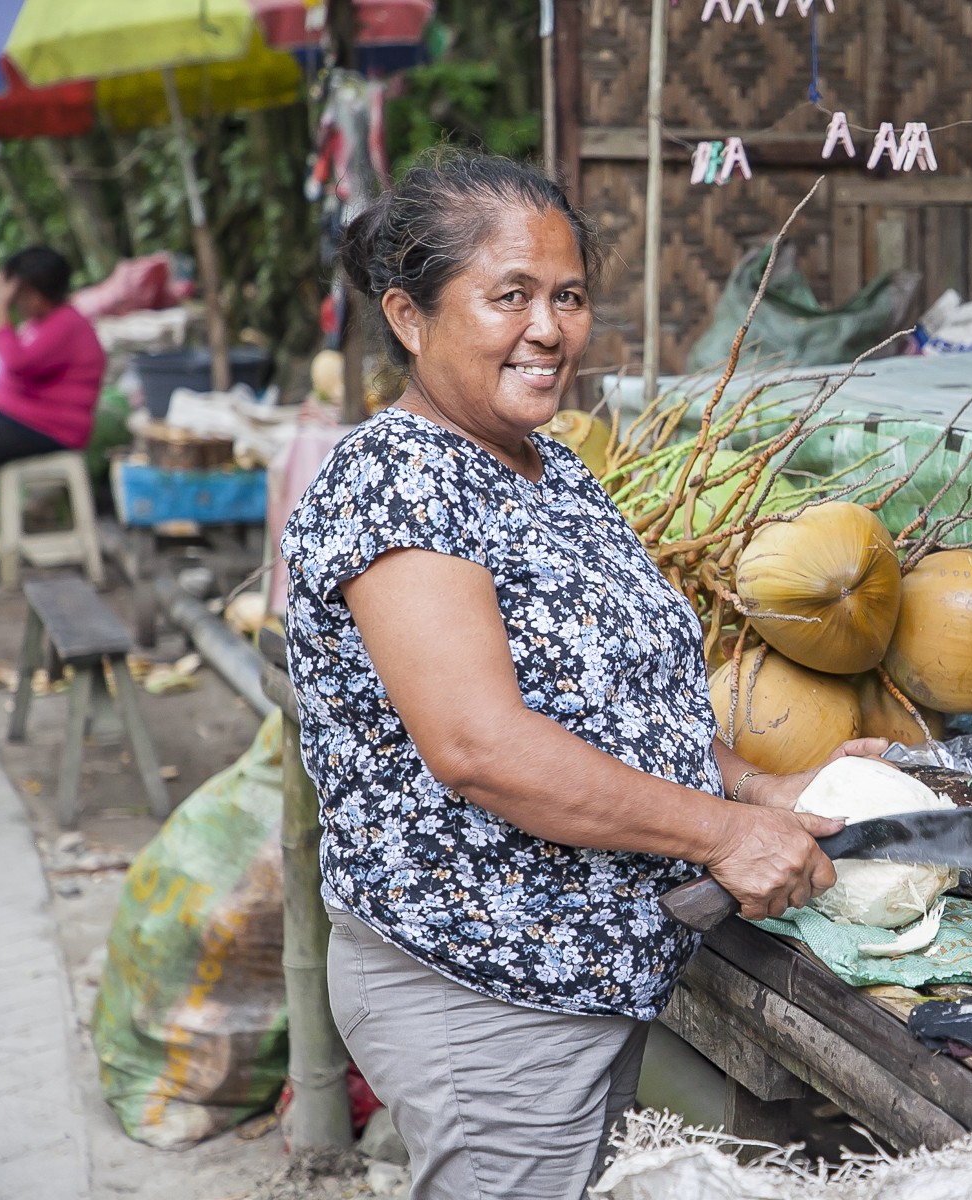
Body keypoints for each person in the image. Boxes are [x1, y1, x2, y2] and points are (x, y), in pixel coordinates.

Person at [280, 153, 878, 1200]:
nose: (549, 328)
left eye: (568, 296)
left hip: (576, 981)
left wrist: (758, 789)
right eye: (508, 296)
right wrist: (724, 834)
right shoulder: (398, 476)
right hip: (482, 990)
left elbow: (619, 708)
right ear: (409, 318)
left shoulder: (546, 464)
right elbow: (482, 749)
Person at [0, 247, 105, 482]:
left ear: (33, 294)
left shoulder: (67, 324)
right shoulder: (43, 324)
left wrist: (0, 308)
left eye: (16, 296)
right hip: (16, 418)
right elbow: (4, 352)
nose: (15, 303)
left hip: (45, 428)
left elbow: (17, 363)